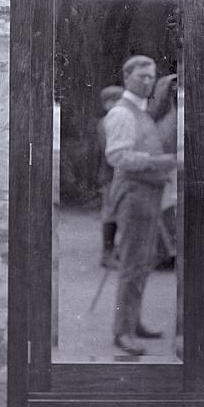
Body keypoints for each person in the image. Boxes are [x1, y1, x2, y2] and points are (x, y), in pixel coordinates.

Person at [103, 55, 177, 356]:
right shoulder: (122, 113)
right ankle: (122, 332)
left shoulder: (142, 111)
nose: (147, 82)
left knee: (144, 262)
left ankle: (134, 322)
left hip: (148, 194)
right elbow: (117, 157)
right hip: (133, 194)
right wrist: (159, 162)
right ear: (126, 76)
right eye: (141, 77)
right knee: (133, 265)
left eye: (151, 77)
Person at [147, 73, 178, 270]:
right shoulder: (160, 120)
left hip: (174, 167)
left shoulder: (176, 116)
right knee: (161, 211)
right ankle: (165, 254)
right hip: (164, 167)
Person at [96, 85, 123, 269]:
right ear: (107, 104)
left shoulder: (114, 121)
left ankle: (115, 251)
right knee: (110, 213)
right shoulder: (106, 122)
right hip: (110, 173)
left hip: (114, 172)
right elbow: (110, 151)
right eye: (116, 101)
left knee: (117, 212)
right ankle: (107, 254)